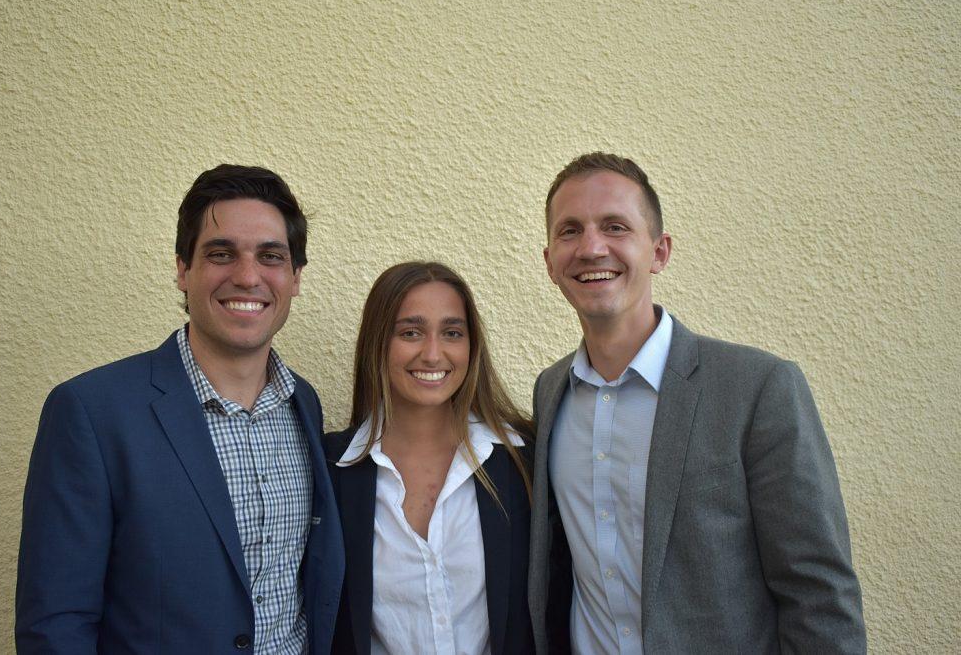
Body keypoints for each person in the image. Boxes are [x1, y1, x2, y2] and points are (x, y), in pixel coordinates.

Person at [528, 153, 866, 654]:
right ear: (550, 261)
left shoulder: (758, 388)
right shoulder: (551, 392)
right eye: (570, 231)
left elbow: (818, 591)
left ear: (659, 252)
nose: (592, 247)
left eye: (615, 226)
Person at [16, 164, 343, 654]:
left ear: (295, 277)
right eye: (221, 253)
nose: (248, 276)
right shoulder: (92, 413)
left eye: (271, 256)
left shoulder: (304, 404)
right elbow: (57, 622)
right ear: (183, 269)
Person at [324, 261, 535, 655]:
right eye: (410, 332)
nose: (433, 354)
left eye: (452, 332)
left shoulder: (523, 461)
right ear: (377, 342)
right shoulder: (332, 469)